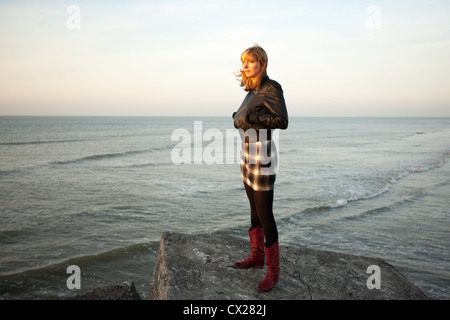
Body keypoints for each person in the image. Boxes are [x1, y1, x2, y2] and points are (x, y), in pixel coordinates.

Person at [232, 45, 288, 292]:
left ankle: (273, 272)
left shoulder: (271, 87)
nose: (245, 65)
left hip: (263, 158)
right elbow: (244, 116)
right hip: (247, 156)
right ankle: (256, 257)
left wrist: (253, 118)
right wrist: (238, 117)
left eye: (251, 61)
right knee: (254, 210)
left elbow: (281, 121)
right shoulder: (251, 91)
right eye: (243, 61)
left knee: (266, 216)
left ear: (262, 63)